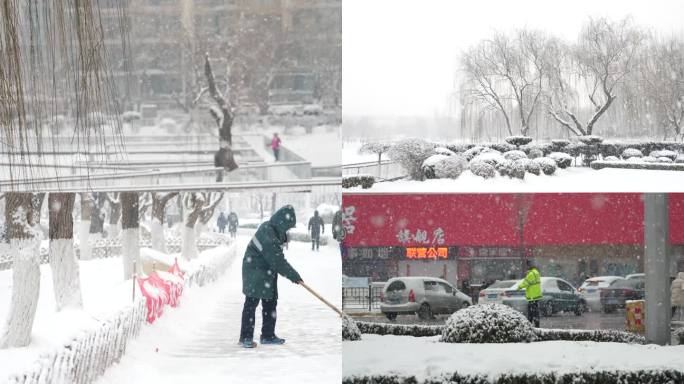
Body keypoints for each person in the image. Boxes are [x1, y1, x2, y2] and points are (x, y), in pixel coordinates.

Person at [239, 205, 302, 348]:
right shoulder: (268, 233)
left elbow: (276, 258)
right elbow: (278, 261)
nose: (288, 231)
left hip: (266, 269)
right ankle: (245, 337)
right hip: (254, 269)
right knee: (251, 302)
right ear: (282, 223)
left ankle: (268, 335)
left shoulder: (272, 229)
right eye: (288, 227)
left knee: (271, 301)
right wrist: (294, 276)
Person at [517, 259, 542, 327]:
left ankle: (532, 325)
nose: (526, 268)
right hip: (536, 295)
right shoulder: (536, 272)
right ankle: (535, 325)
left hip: (532, 296)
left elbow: (526, 282)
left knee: (531, 312)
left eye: (527, 266)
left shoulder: (531, 274)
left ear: (529, 266)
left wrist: (519, 287)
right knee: (534, 312)